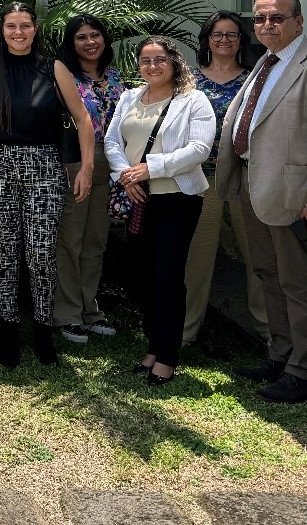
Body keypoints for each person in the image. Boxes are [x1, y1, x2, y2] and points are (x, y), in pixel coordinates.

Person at [219, 0, 307, 404]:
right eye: (259, 19)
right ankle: (280, 355)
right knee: (268, 276)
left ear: (299, 21)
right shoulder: (266, 62)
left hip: (293, 197)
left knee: (298, 284)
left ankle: (305, 373)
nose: (267, 26)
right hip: (254, 188)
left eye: (276, 18)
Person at [0, 2, 94, 368]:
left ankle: (43, 329)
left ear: (35, 29)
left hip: (45, 165)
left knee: (41, 251)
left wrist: (86, 168)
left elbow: (83, 120)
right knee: (5, 250)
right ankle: (9, 329)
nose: (18, 32)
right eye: (11, 26)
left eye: (25, 25)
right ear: (2, 30)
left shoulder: (53, 67)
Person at [105, 37, 215, 386]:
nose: (152, 66)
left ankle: (167, 356)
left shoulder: (193, 100)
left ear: (174, 62)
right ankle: (152, 346)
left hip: (176, 201)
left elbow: (199, 149)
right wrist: (126, 176)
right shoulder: (128, 98)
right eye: (145, 60)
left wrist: (150, 169)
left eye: (159, 59)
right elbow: (111, 142)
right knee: (143, 276)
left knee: (167, 277)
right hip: (139, 197)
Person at [184, 11, 267, 348]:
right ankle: (185, 334)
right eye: (217, 34)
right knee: (196, 261)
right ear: (206, 39)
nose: (224, 40)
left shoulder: (255, 80)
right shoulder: (187, 80)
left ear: (241, 41)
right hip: (202, 179)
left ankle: (271, 336)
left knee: (259, 257)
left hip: (245, 177)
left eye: (232, 35)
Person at [53, 14, 126, 344]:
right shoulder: (63, 75)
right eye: (81, 37)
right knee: (71, 239)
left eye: (95, 35)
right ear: (71, 43)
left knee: (96, 241)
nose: (90, 42)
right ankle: (67, 314)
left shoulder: (114, 76)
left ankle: (89, 309)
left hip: (111, 162)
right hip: (76, 161)